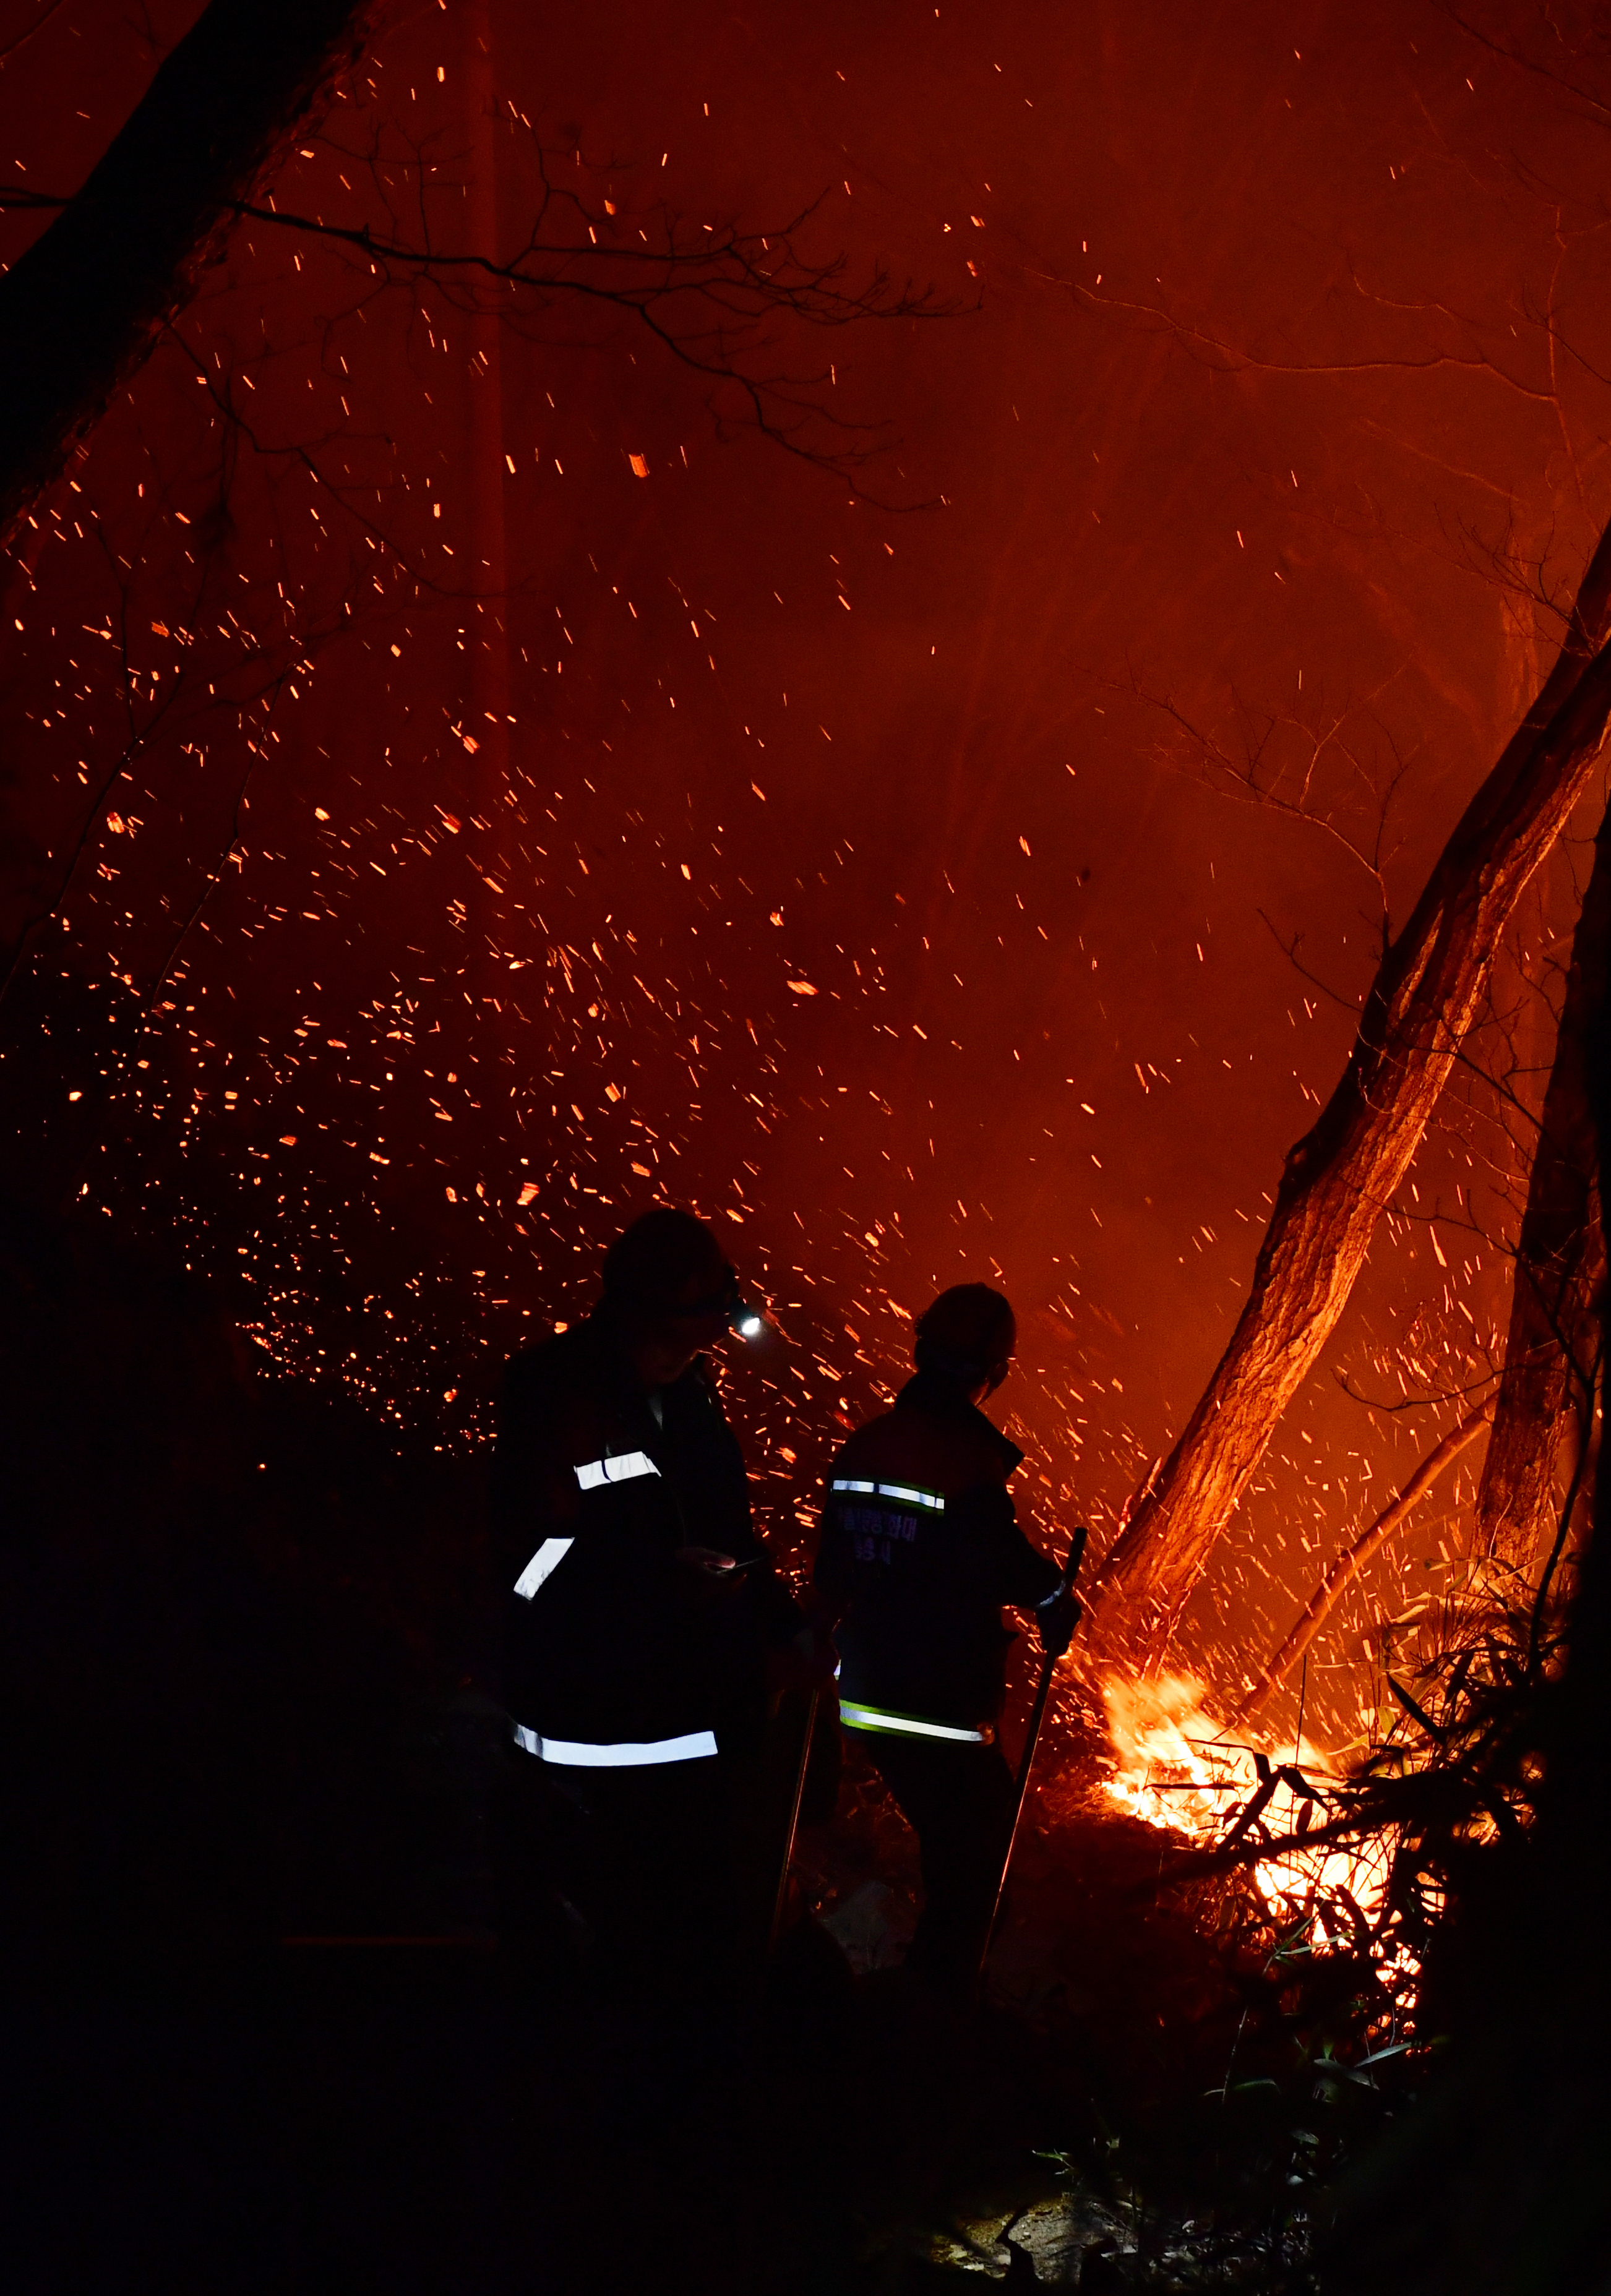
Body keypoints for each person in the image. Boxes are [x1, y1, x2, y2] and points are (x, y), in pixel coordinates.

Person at [492, 1206, 802, 1998]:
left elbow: (726, 1522)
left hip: (688, 1724)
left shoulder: (691, 1396)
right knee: (619, 1958)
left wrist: (781, 1618)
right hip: (596, 1732)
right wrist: (654, 1582)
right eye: (695, 1321)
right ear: (641, 1308)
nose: (707, 1339)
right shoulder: (555, 1391)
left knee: (693, 1942)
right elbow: (524, 1565)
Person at [812, 1283, 1080, 1991]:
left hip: (866, 1688)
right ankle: (931, 2016)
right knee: (978, 1871)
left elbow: (831, 1569)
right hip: (936, 1702)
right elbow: (991, 1554)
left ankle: (915, 2001)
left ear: (923, 1350)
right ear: (997, 1372)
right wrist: (1054, 1594)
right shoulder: (963, 1458)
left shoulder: (868, 1442)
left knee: (952, 1849)